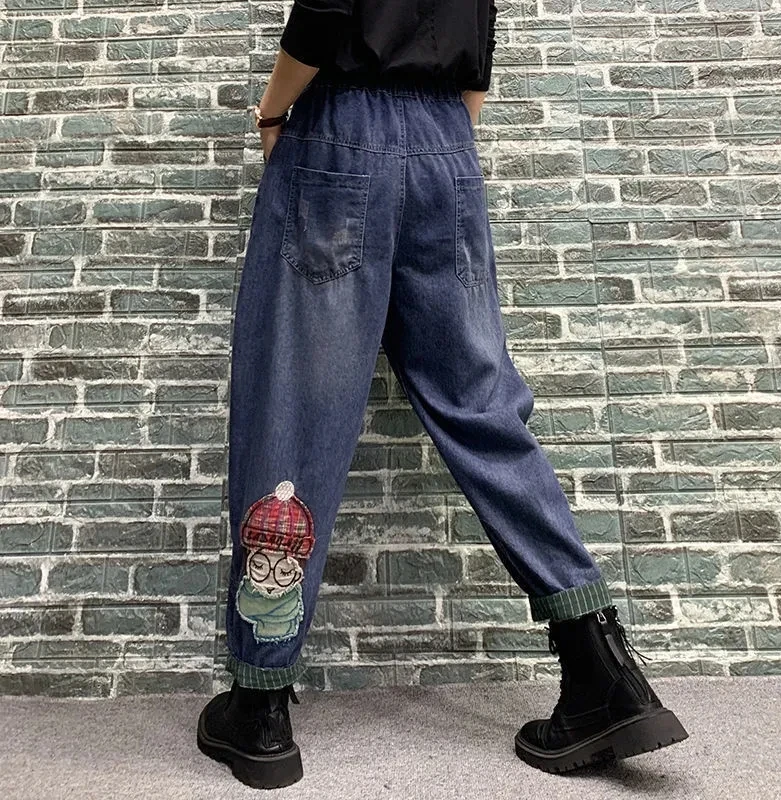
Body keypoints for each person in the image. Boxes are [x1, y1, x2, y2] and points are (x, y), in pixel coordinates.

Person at [196, 0, 689, 789]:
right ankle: (601, 664)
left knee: (293, 408)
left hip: (338, 135)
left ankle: (259, 706)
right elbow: (479, 44)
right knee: (483, 407)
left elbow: (326, 9)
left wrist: (274, 109)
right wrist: (435, 138)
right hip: (446, 144)